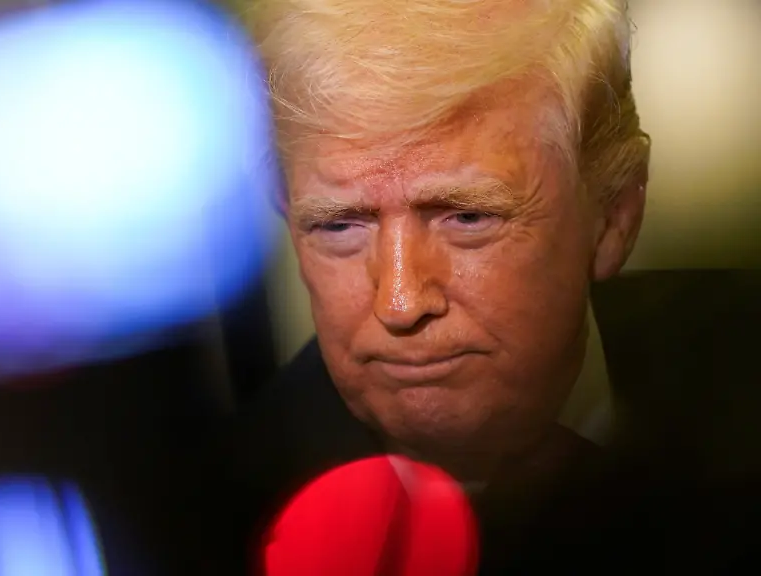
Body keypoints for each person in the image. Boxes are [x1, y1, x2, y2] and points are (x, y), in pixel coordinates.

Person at [216, 0, 663, 573]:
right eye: (339, 224)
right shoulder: (205, 524)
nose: (399, 303)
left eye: (467, 218)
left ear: (613, 216)